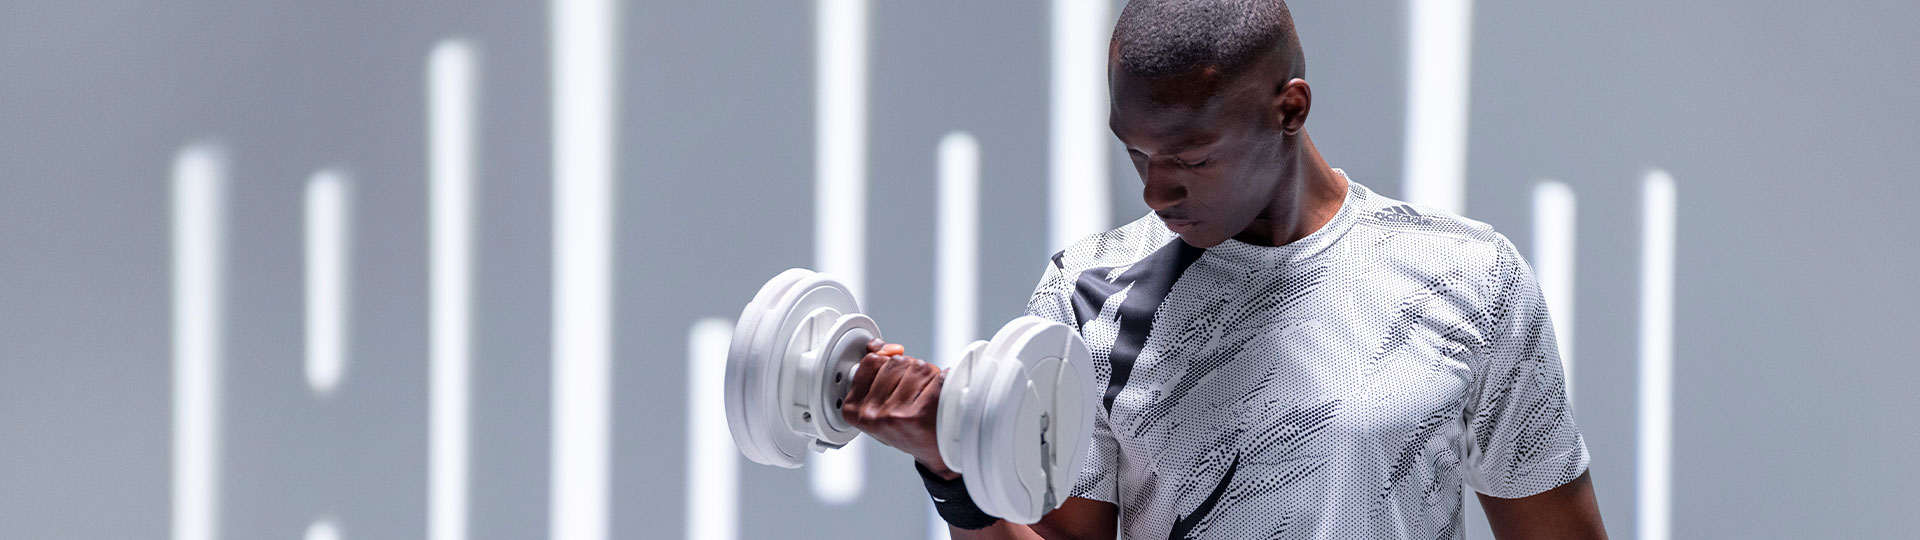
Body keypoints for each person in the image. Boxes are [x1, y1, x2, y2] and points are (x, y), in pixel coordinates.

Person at [838, 0, 1607, 537]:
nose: (1155, 191)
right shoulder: (1088, 296)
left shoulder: (1468, 275)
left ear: (1289, 109)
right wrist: (954, 472)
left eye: (1191, 159)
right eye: (1136, 152)